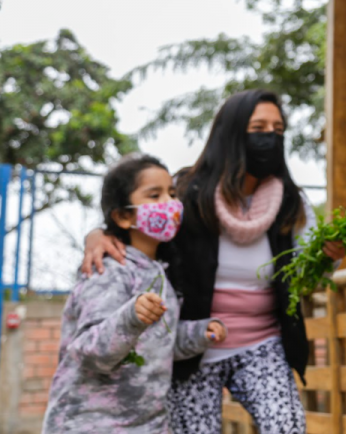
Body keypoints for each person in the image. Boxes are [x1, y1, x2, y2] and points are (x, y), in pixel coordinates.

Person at [81, 90, 345, 433]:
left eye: (278, 129)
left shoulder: (292, 202)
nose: (270, 137)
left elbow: (308, 278)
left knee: (287, 426)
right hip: (191, 345)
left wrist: (327, 259)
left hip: (263, 344)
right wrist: (96, 235)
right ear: (232, 132)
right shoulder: (185, 191)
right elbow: (141, 222)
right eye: (259, 127)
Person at [44, 154, 226, 433]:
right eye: (155, 195)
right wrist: (132, 317)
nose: (170, 204)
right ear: (123, 216)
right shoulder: (107, 269)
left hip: (147, 425)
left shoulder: (159, 273)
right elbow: (91, 351)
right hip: (90, 424)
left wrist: (201, 333)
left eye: (172, 193)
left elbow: (158, 344)